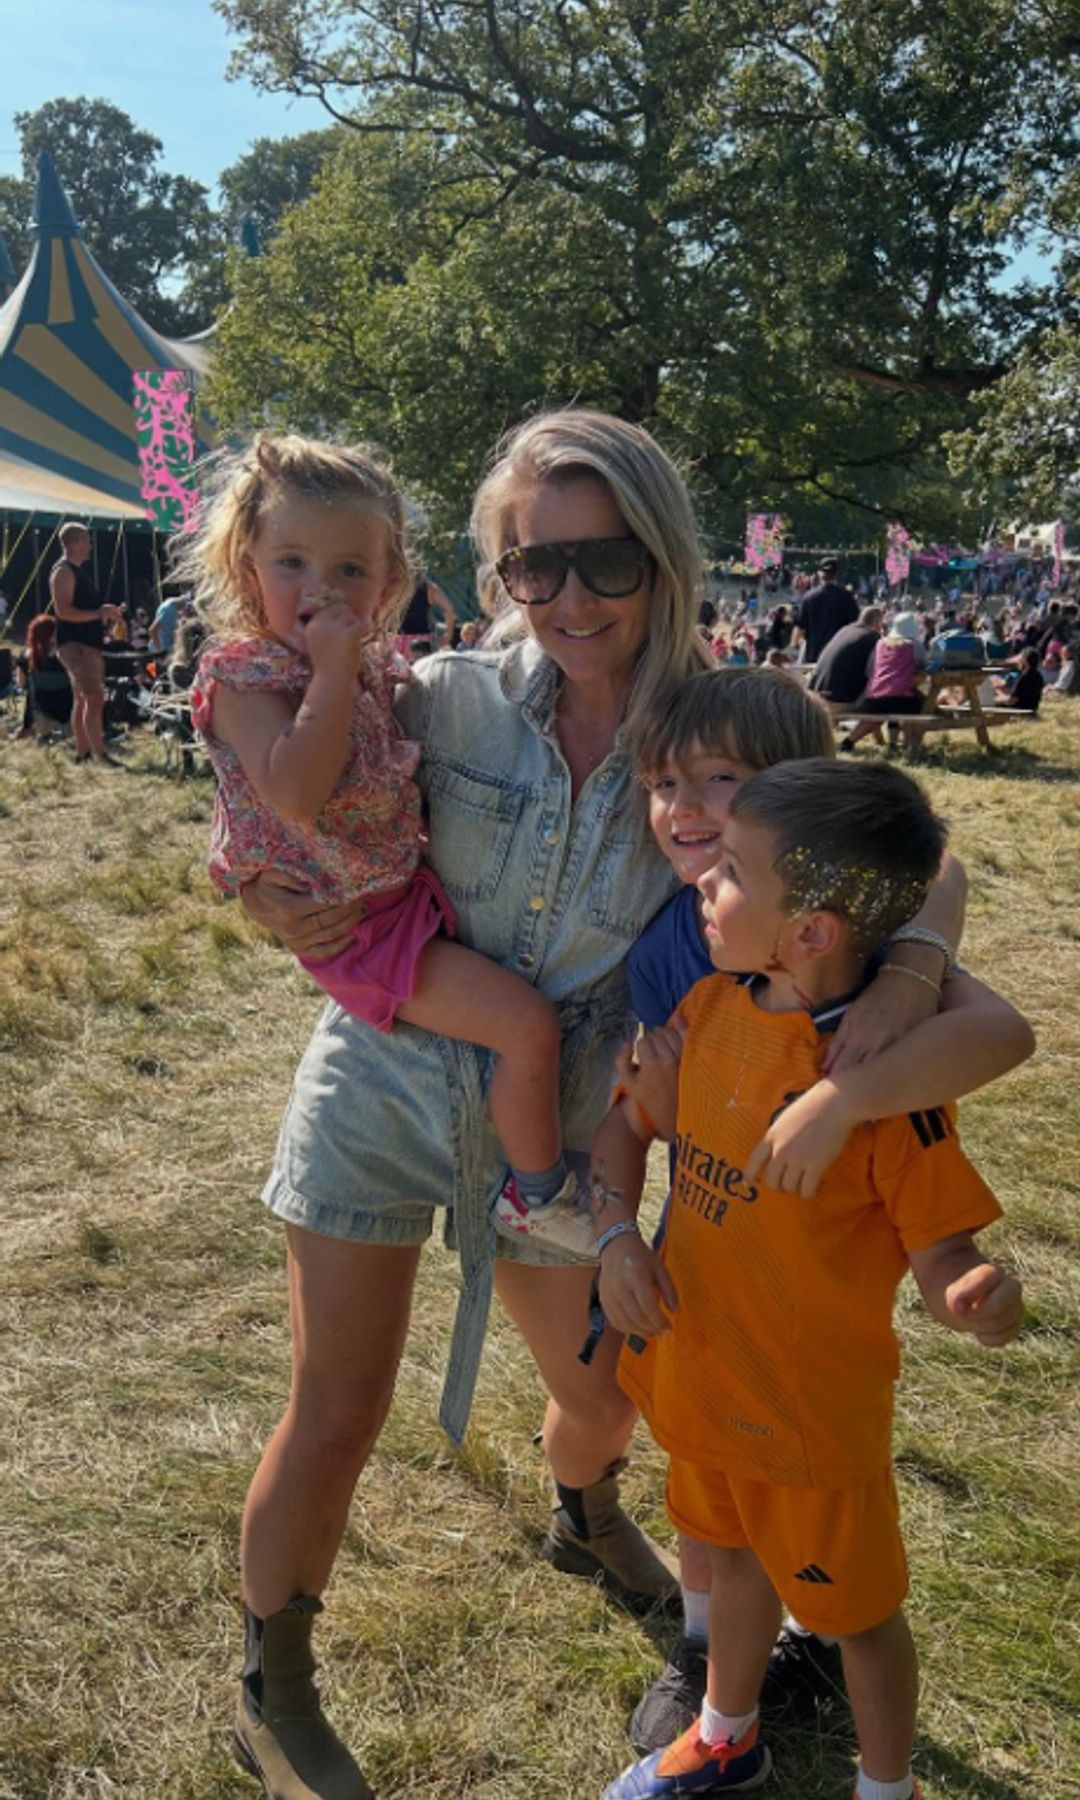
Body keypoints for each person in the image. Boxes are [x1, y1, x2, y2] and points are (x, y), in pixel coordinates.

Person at [579, 667, 1033, 1757]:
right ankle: (717, 1698)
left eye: (722, 787)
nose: (688, 812)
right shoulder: (692, 971)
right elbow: (640, 1118)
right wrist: (613, 1233)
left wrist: (888, 1019)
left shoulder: (876, 1020)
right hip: (705, 1335)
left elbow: (1003, 1037)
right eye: (664, 783)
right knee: (716, 1530)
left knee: (850, 1605)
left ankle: (868, 1759)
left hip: (805, 1384)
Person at [186, 433, 594, 1275]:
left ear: (388, 582)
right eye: (292, 562)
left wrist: (369, 682)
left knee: (521, 1023)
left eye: (350, 572)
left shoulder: (362, 668)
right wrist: (338, 676)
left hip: (390, 902)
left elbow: (379, 754)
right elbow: (293, 789)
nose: (319, 592)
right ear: (246, 565)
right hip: (361, 928)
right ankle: (540, 1193)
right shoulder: (247, 680)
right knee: (526, 1026)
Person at [48, 520, 120, 764]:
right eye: (87, 540)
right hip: (76, 645)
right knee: (94, 697)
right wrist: (100, 612)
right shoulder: (64, 572)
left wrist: (103, 613)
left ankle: (83, 753)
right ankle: (100, 754)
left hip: (85, 644)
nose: (91, 545)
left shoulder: (74, 571)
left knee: (83, 698)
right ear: (75, 542)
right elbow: (63, 611)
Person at [841, 611, 927, 755]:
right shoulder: (914, 645)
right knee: (917, 704)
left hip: (874, 697)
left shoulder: (880, 643)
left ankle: (850, 741)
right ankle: (910, 745)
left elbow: (870, 670)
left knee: (884, 708)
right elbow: (924, 667)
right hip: (901, 698)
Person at [808, 605, 883, 706]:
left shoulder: (844, 630)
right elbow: (875, 671)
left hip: (816, 692)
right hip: (838, 698)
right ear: (878, 623)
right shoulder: (872, 637)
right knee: (879, 706)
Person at [16, 613, 74, 739]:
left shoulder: (26, 656)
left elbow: (21, 684)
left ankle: (29, 728)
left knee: (31, 690)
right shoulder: (65, 656)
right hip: (66, 708)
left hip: (40, 710)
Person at [791, 557, 858, 663]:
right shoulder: (846, 596)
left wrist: (793, 647)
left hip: (814, 654)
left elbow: (800, 627)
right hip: (838, 654)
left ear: (819, 574)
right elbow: (855, 625)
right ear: (836, 574)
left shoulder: (809, 597)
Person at [397, 571, 455, 660]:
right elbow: (448, 608)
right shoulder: (429, 587)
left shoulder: (394, 585)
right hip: (421, 641)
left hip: (396, 640)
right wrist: (448, 635)